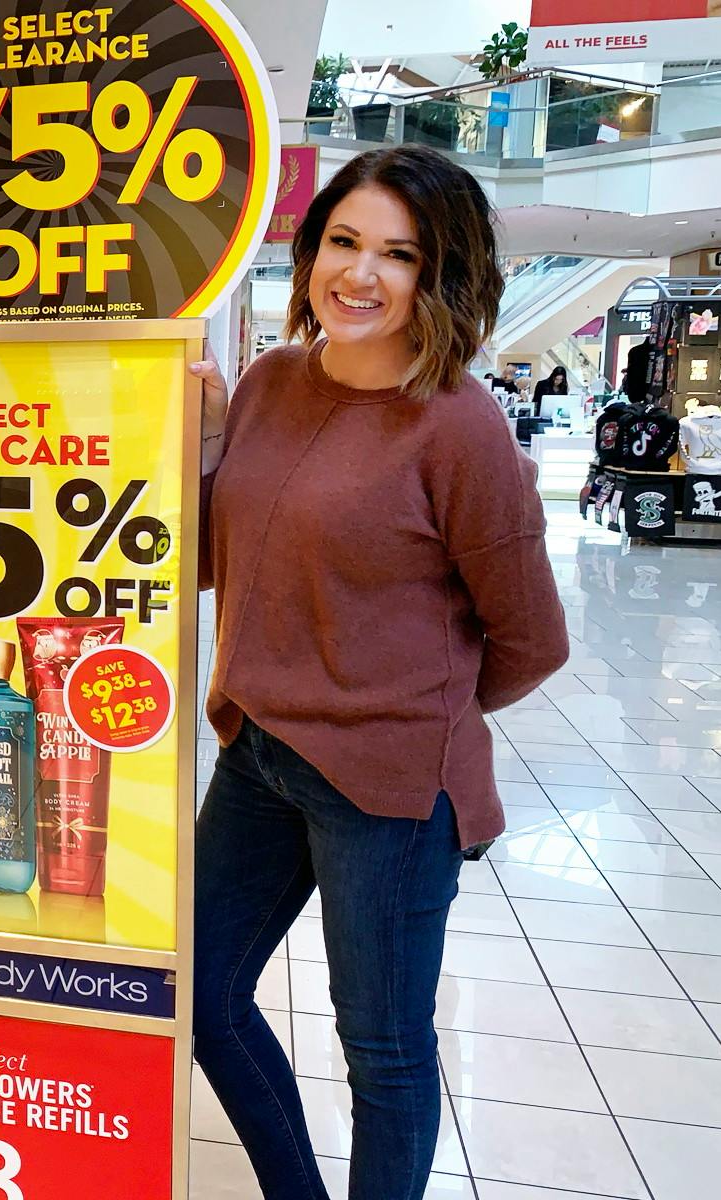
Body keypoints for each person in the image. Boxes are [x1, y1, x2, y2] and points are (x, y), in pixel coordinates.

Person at [188, 145, 568, 1200]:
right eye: (344, 242)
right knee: (200, 992)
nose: (361, 275)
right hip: (260, 753)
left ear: (441, 277)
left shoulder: (461, 427)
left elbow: (533, 639)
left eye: (399, 254)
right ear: (310, 254)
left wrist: (403, 713)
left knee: (385, 1050)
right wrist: (205, 447)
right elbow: (230, 565)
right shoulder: (270, 383)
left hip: (390, 792)